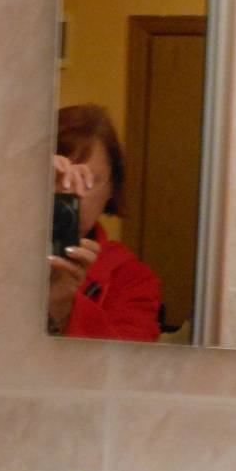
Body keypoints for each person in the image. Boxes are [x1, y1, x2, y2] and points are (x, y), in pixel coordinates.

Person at [48, 104, 161, 341]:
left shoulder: (130, 279)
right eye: (56, 178)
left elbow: (130, 360)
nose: (71, 191)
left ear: (111, 189)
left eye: (88, 180)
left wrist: (66, 309)